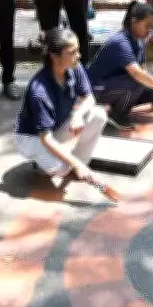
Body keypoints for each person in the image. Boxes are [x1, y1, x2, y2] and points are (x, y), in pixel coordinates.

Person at [14, 28, 108, 190]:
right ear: (54, 56)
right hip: (32, 137)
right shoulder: (39, 90)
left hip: (56, 127)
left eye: (78, 50)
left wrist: (78, 114)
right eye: (72, 52)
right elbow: (46, 138)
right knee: (62, 167)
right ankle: (45, 165)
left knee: (99, 115)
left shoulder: (74, 67)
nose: (78, 55)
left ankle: (77, 164)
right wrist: (75, 165)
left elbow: (89, 98)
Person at [87, 1, 153, 129]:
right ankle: (118, 114)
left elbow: (143, 71)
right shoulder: (120, 42)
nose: (150, 31)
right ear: (134, 22)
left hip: (115, 84)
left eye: (152, 27)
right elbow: (137, 74)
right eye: (147, 26)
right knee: (138, 82)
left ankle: (121, 105)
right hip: (95, 89)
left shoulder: (139, 42)